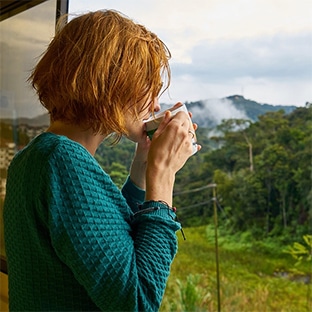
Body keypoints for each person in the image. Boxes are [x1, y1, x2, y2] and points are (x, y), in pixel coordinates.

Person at [3, 9, 200, 312]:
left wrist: (141, 171)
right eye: (148, 88)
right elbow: (137, 301)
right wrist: (162, 176)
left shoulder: (36, 157)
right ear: (113, 82)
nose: (155, 104)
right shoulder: (61, 162)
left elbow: (102, 240)